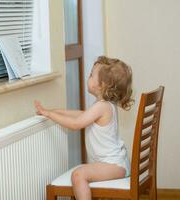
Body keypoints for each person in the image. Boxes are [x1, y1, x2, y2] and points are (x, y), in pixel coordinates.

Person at [34, 56, 133, 200]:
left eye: (91, 74)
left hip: (113, 165)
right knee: (81, 173)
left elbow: (76, 124)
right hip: (116, 163)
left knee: (78, 175)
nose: (89, 76)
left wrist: (49, 114)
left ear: (102, 85)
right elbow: (81, 115)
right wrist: (55, 111)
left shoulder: (102, 106)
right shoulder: (105, 104)